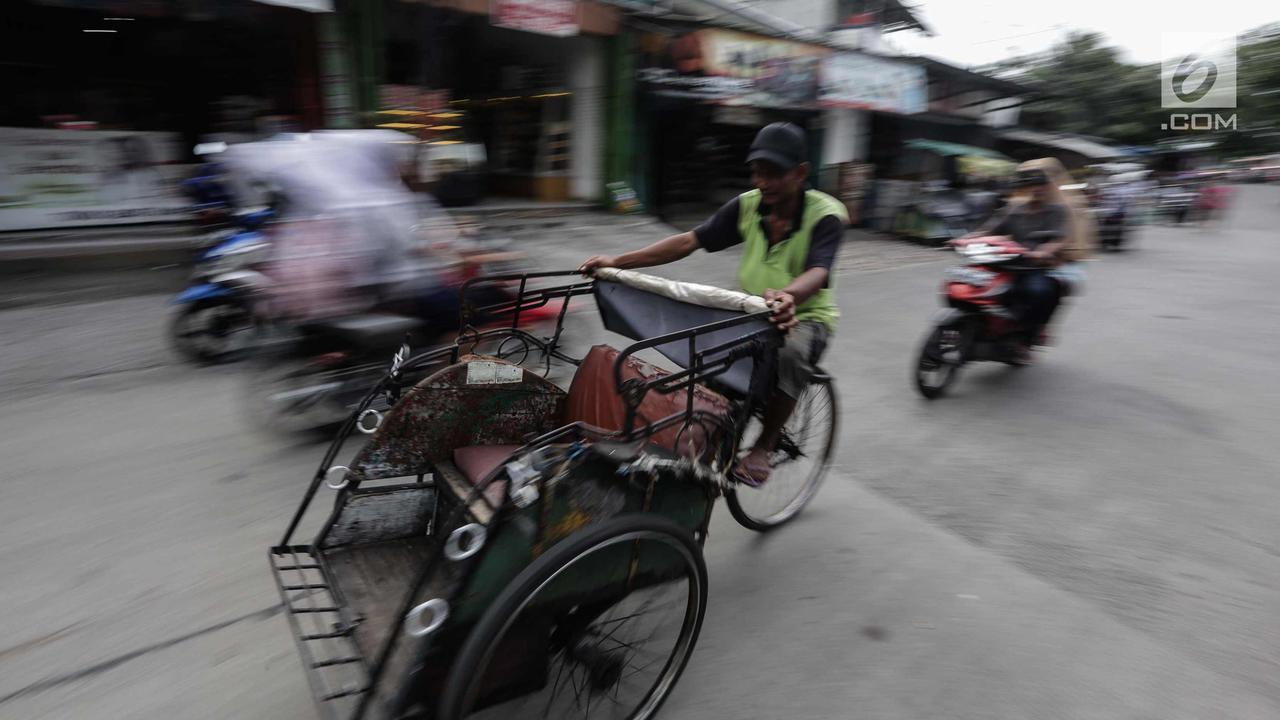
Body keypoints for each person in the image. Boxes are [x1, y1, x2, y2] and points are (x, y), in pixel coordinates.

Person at [580, 122, 847, 486]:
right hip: (754, 310)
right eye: (757, 172)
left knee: (790, 354)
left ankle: (764, 447)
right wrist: (617, 262)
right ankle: (708, 440)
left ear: (800, 173)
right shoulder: (750, 207)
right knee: (708, 357)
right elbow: (689, 241)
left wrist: (790, 296)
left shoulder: (825, 214)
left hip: (805, 315)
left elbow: (819, 269)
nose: (763, 182)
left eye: (774, 174)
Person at [967, 157, 1093, 361]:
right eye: (1033, 184)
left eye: (1041, 184)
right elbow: (990, 229)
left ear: (1048, 186)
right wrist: (966, 239)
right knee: (978, 284)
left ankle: (1024, 336)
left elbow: (1059, 238)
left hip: (1032, 267)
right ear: (1026, 187)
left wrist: (1043, 251)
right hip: (1005, 263)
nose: (1037, 189)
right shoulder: (1015, 208)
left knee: (1039, 291)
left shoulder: (1058, 210)